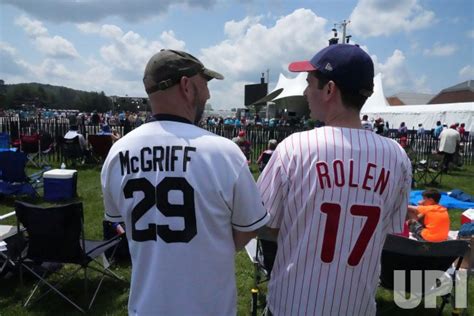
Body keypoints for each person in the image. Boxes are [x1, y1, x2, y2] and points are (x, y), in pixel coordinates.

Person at [101, 49, 269, 316]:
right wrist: (210, 246)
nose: (209, 95)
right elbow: (248, 229)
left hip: (146, 307)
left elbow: (119, 219)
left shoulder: (118, 153)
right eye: (205, 84)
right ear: (187, 86)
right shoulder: (224, 153)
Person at [256, 44, 412, 316]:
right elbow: (390, 229)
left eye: (310, 83)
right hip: (357, 305)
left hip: (293, 304)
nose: (306, 92)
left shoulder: (294, 147)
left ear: (329, 90)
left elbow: (262, 223)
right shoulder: (397, 157)